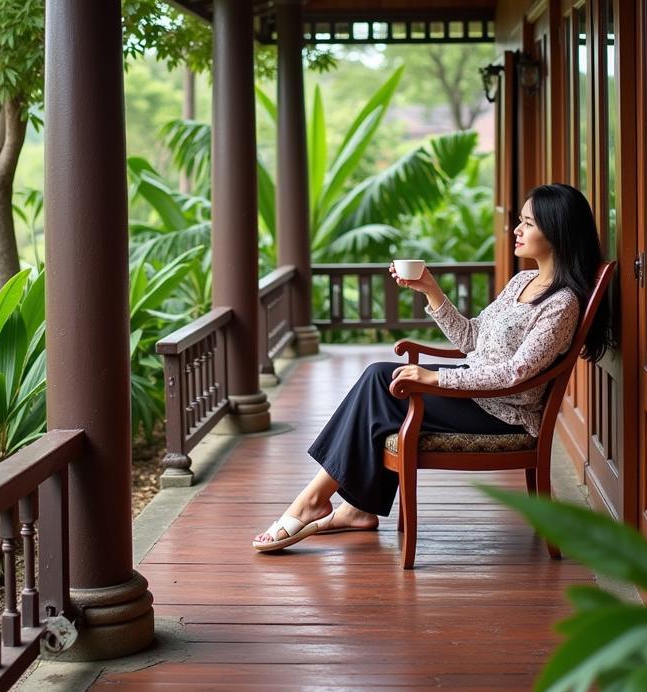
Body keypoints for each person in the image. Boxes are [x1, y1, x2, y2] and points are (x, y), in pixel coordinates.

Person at [252, 182, 611, 552]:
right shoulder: (523, 281)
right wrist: (430, 289)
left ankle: (320, 503)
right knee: (382, 379)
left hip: (503, 411)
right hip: (476, 394)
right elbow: (472, 339)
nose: (516, 230)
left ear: (557, 232)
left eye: (528, 223)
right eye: (519, 221)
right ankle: (350, 508)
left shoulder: (561, 304)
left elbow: (515, 374)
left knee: (381, 381)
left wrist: (435, 376)